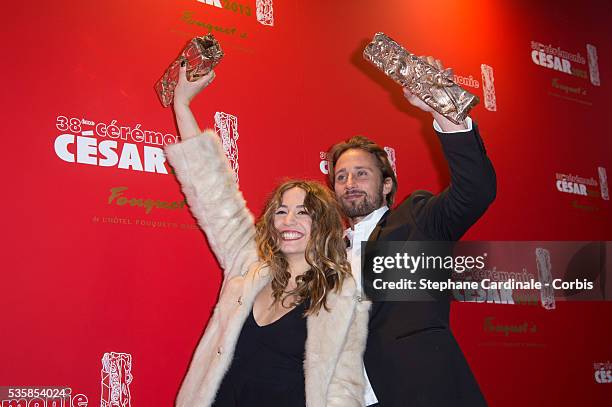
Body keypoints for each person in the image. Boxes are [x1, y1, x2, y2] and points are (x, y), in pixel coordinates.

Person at [165, 63, 368, 407]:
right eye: (281, 210)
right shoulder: (249, 262)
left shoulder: (343, 295)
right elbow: (213, 192)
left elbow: (343, 387)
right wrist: (182, 106)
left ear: (324, 227)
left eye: (304, 213)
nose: (289, 220)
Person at [327, 57, 496, 406]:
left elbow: (475, 191)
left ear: (387, 184)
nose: (349, 183)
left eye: (361, 173)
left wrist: (445, 110)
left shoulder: (416, 221)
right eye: (341, 177)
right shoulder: (325, 256)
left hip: (421, 392)